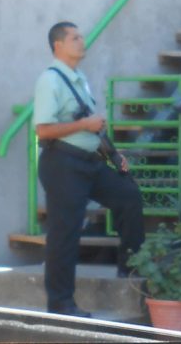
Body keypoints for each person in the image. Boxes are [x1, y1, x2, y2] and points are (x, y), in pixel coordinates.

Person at [33, 21, 144, 317]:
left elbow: (91, 127)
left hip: (89, 161)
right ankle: (60, 304)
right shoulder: (50, 80)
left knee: (129, 197)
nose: (82, 41)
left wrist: (114, 154)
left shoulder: (79, 77)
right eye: (75, 37)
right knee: (65, 234)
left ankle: (131, 270)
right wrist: (84, 124)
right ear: (59, 45)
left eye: (81, 36)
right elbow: (42, 130)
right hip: (62, 164)